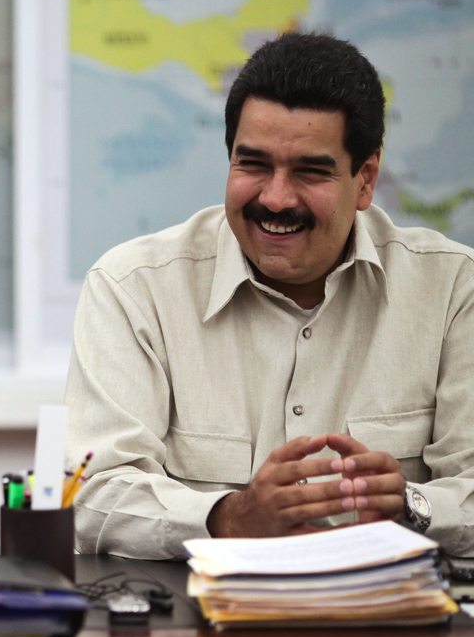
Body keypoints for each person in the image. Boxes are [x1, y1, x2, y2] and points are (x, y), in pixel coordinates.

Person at [66, 32, 474, 558]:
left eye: (310, 171)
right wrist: (228, 517)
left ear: (366, 179)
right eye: (253, 164)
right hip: (196, 628)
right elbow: (91, 492)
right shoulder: (133, 286)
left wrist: (409, 508)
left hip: (397, 626)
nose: (276, 198)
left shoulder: (453, 288)